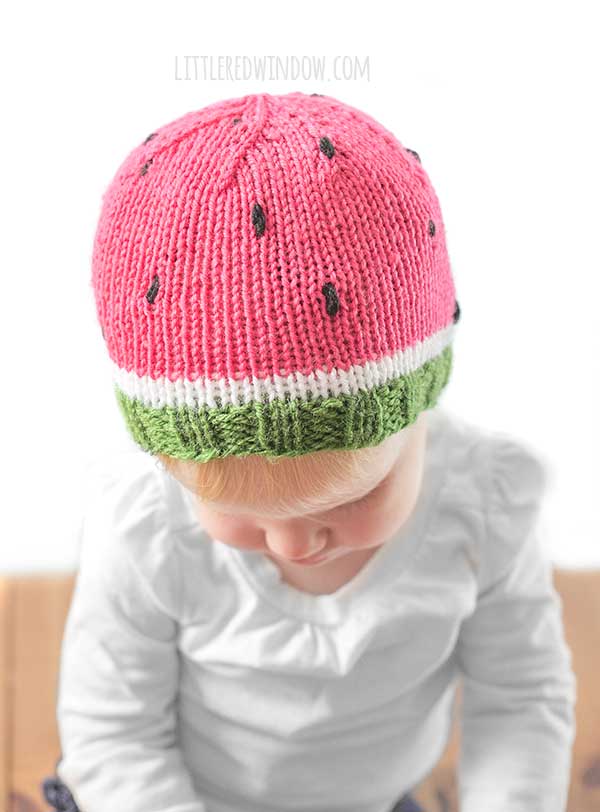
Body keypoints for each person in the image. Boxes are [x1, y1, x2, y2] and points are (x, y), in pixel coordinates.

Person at [46, 91, 576, 812]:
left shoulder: (484, 504)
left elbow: (521, 699)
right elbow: (115, 736)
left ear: (417, 405)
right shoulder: (145, 528)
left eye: (352, 496)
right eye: (235, 509)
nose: (294, 544)